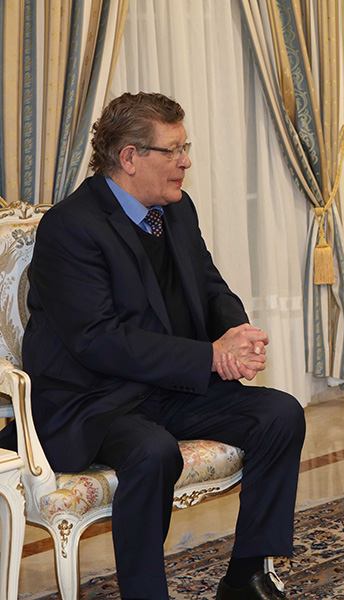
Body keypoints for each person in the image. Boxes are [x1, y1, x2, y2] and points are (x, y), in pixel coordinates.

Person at [1, 92, 306, 599]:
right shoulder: (72, 228)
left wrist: (235, 335)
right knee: (152, 451)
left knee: (280, 414)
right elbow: (97, 341)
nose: (186, 161)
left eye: (186, 147)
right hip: (93, 400)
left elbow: (209, 285)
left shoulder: (176, 209)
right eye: (173, 150)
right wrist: (209, 356)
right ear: (129, 158)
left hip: (167, 386)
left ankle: (247, 577)